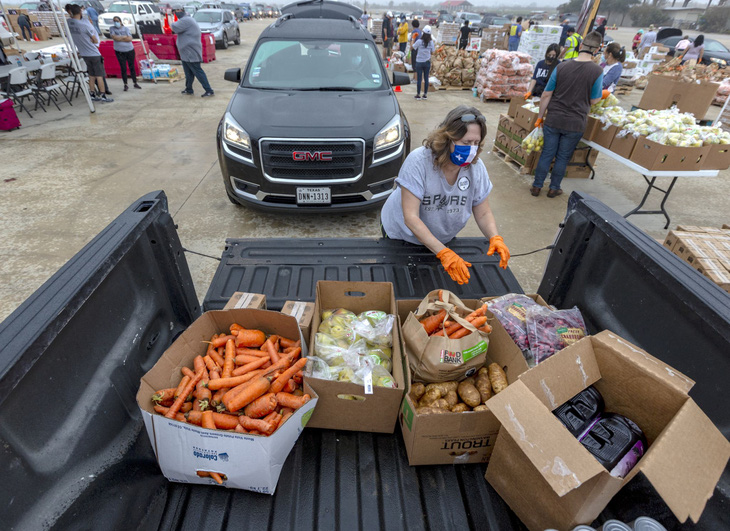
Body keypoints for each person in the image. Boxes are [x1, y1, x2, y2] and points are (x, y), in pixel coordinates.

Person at [380, 105, 510, 284]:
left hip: (441, 237)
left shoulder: (476, 168)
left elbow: (483, 211)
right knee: (402, 282)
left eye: (475, 143)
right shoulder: (419, 162)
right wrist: (444, 253)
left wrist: (495, 237)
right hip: (402, 236)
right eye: (465, 142)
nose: (471, 149)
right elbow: (410, 218)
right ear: (448, 138)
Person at [530, 32, 606, 198]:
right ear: (598, 49)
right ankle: (554, 188)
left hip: (554, 119)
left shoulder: (561, 66)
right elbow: (594, 100)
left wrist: (540, 117)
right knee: (563, 157)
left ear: (580, 46)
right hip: (576, 122)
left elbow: (546, 94)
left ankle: (536, 186)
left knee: (547, 153)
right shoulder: (597, 71)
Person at [65, 3, 113, 103]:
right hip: (94, 53)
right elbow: (95, 40)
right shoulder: (84, 25)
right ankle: (103, 95)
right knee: (99, 75)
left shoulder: (68, 22)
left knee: (91, 75)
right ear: (80, 11)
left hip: (84, 53)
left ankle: (92, 93)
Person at [172, 8, 214, 97]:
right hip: (185, 52)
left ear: (182, 10)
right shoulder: (187, 19)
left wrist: (170, 18)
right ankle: (189, 89)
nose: (176, 13)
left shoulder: (186, 20)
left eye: (177, 11)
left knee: (197, 71)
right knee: (188, 72)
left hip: (191, 52)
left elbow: (174, 27)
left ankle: (209, 90)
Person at [109, 16, 141, 91]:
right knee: (123, 67)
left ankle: (135, 82)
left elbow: (129, 39)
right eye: (114, 21)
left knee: (131, 66)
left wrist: (119, 38)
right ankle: (125, 84)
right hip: (119, 51)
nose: (116, 23)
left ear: (120, 21)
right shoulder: (112, 28)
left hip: (129, 50)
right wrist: (124, 37)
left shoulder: (126, 28)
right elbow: (114, 38)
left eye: (117, 21)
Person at [412, 25, 435, 100]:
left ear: (423, 33)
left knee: (419, 78)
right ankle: (425, 95)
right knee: (426, 78)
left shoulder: (419, 41)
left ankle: (418, 94)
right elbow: (433, 52)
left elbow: (412, 48)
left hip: (419, 62)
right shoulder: (431, 42)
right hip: (427, 62)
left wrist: (413, 38)